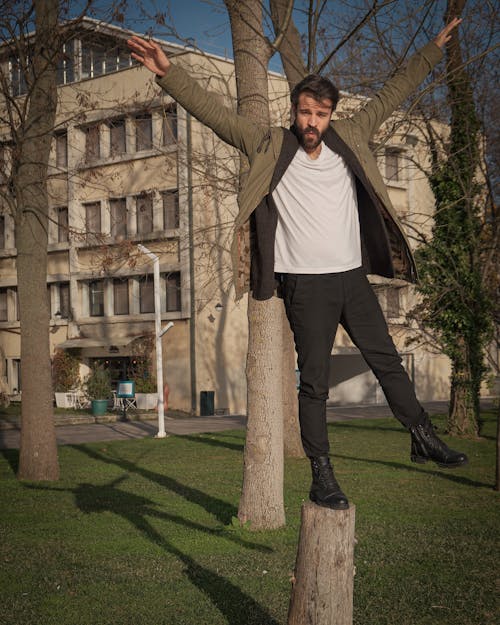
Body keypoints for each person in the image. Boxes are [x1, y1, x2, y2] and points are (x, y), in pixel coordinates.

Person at [127, 17, 467, 510]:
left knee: (388, 361)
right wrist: (168, 72)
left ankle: (422, 436)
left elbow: (394, 93)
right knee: (315, 382)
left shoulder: (351, 134)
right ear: (294, 111)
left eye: (321, 114)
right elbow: (214, 114)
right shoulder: (268, 143)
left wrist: (433, 52)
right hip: (306, 286)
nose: (312, 123)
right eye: (305, 112)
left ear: (332, 114)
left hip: (352, 278)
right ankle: (321, 475)